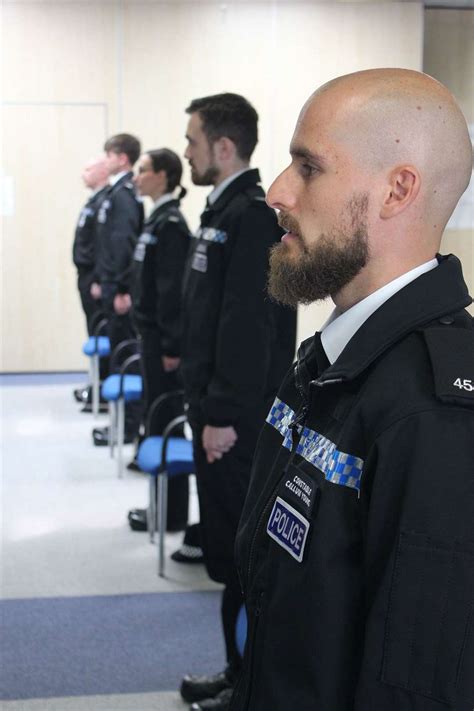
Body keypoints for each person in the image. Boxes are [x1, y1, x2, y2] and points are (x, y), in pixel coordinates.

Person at [231, 69, 474, 711]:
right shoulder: (332, 357)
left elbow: (415, 691)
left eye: (309, 167)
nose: (278, 191)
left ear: (397, 190)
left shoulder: (434, 415)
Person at [180, 93, 297, 711]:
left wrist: (222, 415)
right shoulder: (221, 211)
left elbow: (246, 329)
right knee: (232, 558)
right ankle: (237, 674)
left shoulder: (250, 217)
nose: (187, 152)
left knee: (245, 560)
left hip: (236, 422)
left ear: (224, 147)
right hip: (215, 413)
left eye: (193, 141)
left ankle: (248, 686)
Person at [126, 148, 191, 533]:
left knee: (165, 422)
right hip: (150, 338)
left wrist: (170, 346)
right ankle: (161, 509)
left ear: (164, 175)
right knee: (156, 420)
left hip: (162, 345)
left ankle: (171, 514)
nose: (136, 177)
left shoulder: (171, 225)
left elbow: (171, 294)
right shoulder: (157, 220)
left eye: (143, 170)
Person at [92, 133, 144, 446]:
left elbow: (124, 245)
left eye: (109, 155)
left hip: (119, 288)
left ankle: (127, 428)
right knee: (116, 354)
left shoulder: (124, 195)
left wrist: (123, 287)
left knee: (125, 356)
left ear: (123, 157)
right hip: (112, 283)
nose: (106, 160)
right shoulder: (118, 192)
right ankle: (121, 425)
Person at [72, 157, 110, 408]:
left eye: (89, 168)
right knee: (94, 331)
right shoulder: (95, 201)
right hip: (86, 276)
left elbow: (105, 247)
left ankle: (104, 391)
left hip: (96, 280)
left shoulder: (107, 202)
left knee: (103, 333)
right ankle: (97, 385)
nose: (83, 172)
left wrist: (99, 279)